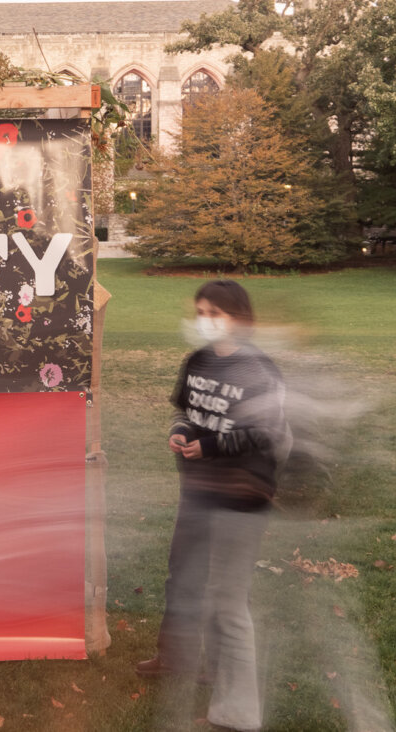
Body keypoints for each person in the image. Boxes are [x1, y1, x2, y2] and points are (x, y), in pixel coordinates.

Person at [135, 280, 290, 732]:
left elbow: (268, 435)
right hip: (199, 491)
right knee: (182, 575)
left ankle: (236, 714)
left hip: (241, 497)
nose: (206, 320)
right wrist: (181, 432)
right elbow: (184, 409)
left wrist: (211, 447)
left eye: (216, 312)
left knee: (227, 601)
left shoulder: (259, 370)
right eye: (201, 311)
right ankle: (177, 657)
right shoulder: (197, 360)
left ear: (239, 318)